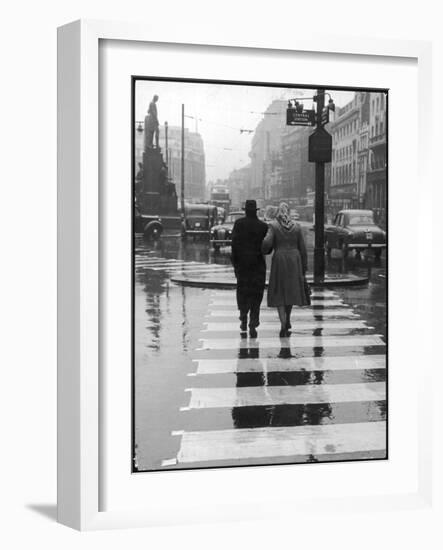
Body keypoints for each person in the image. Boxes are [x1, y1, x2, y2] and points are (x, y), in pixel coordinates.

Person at [262, 202, 309, 337]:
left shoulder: (274, 226)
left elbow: (267, 244)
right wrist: (304, 268)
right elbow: (303, 249)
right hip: (295, 260)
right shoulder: (297, 227)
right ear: (288, 213)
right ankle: (288, 318)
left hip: (280, 260)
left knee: (280, 292)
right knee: (290, 291)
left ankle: (283, 323)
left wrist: (263, 248)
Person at [231, 200, 268, 338]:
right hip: (258, 265)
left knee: (243, 291)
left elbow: (234, 245)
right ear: (256, 211)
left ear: (245, 210)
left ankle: (243, 316)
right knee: (256, 293)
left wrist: (235, 263)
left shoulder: (239, 224)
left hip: (242, 265)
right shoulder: (263, 226)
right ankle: (254, 320)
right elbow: (267, 247)